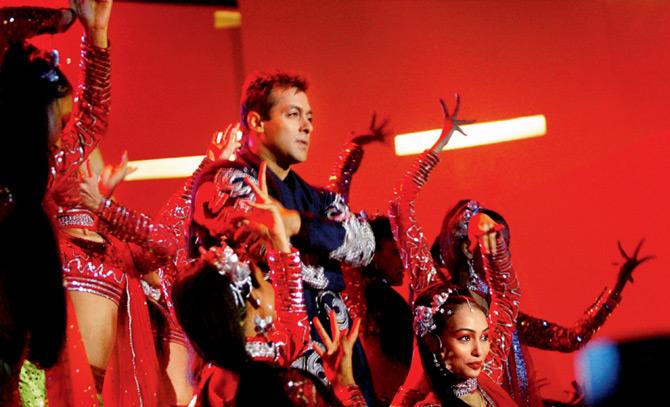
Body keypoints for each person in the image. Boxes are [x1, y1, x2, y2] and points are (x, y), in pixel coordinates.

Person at [188, 70, 377, 402]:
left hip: (337, 355)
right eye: (293, 115)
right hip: (269, 361)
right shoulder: (223, 182)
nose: (308, 126)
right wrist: (321, 238)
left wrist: (297, 226)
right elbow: (260, 231)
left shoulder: (317, 197)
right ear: (257, 123)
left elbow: (364, 245)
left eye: (310, 118)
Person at [174, 162, 367, 406]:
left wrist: (279, 240)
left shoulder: (213, 384)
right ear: (254, 299)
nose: (273, 285)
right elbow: (294, 326)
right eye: (266, 279)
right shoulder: (290, 387)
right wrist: (347, 387)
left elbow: (294, 328)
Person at [432, 200, 654, 406]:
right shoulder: (451, 314)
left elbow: (570, 339)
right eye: (491, 242)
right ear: (465, 249)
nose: (501, 251)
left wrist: (614, 290)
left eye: (504, 243)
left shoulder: (507, 317)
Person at [388, 96, 520, 406]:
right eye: (465, 337)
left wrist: (497, 248)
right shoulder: (432, 293)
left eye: (485, 336)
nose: (479, 348)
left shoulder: (486, 368)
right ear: (435, 341)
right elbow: (400, 207)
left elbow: (508, 296)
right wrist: (438, 146)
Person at [0, 6, 76, 404]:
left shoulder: (25, 210)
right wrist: (59, 18)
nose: (59, 142)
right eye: (58, 124)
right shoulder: (14, 212)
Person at [325, 115, 414, 404]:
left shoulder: (391, 300)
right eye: (394, 252)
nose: (403, 261)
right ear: (374, 252)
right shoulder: (357, 290)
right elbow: (337, 208)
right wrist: (352, 150)